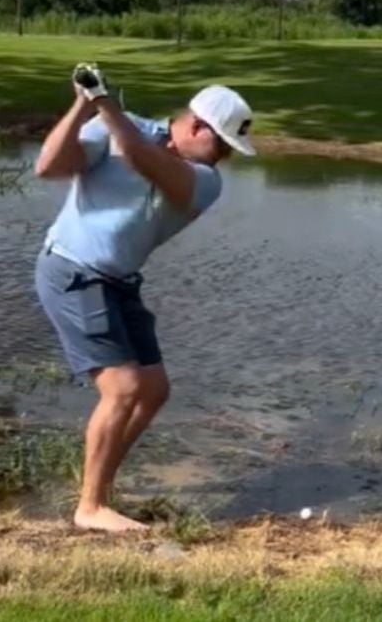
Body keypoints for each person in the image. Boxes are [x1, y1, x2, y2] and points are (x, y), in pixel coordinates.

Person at [33, 64, 255, 533]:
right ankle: (90, 507)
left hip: (118, 281)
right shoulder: (116, 126)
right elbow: (49, 166)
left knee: (153, 390)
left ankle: (98, 485)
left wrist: (104, 102)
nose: (223, 160)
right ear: (196, 126)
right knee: (124, 389)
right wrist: (82, 103)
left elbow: (138, 157)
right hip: (73, 271)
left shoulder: (203, 180)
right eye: (221, 145)